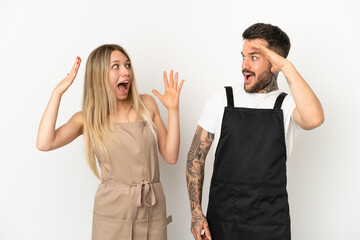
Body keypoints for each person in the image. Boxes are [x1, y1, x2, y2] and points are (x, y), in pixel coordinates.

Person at [186, 23, 324, 240]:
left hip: (270, 224)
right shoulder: (221, 99)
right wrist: (196, 213)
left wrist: (286, 67)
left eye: (254, 57)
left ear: (274, 62)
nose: (244, 65)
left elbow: (315, 118)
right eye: (243, 56)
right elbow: (196, 156)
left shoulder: (286, 105)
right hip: (222, 222)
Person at [36, 44, 184, 240]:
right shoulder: (89, 118)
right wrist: (58, 92)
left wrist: (173, 110)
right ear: (99, 75)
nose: (126, 72)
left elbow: (171, 156)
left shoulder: (146, 104)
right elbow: (45, 143)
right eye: (116, 66)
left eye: (127, 65)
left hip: (151, 208)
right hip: (111, 214)